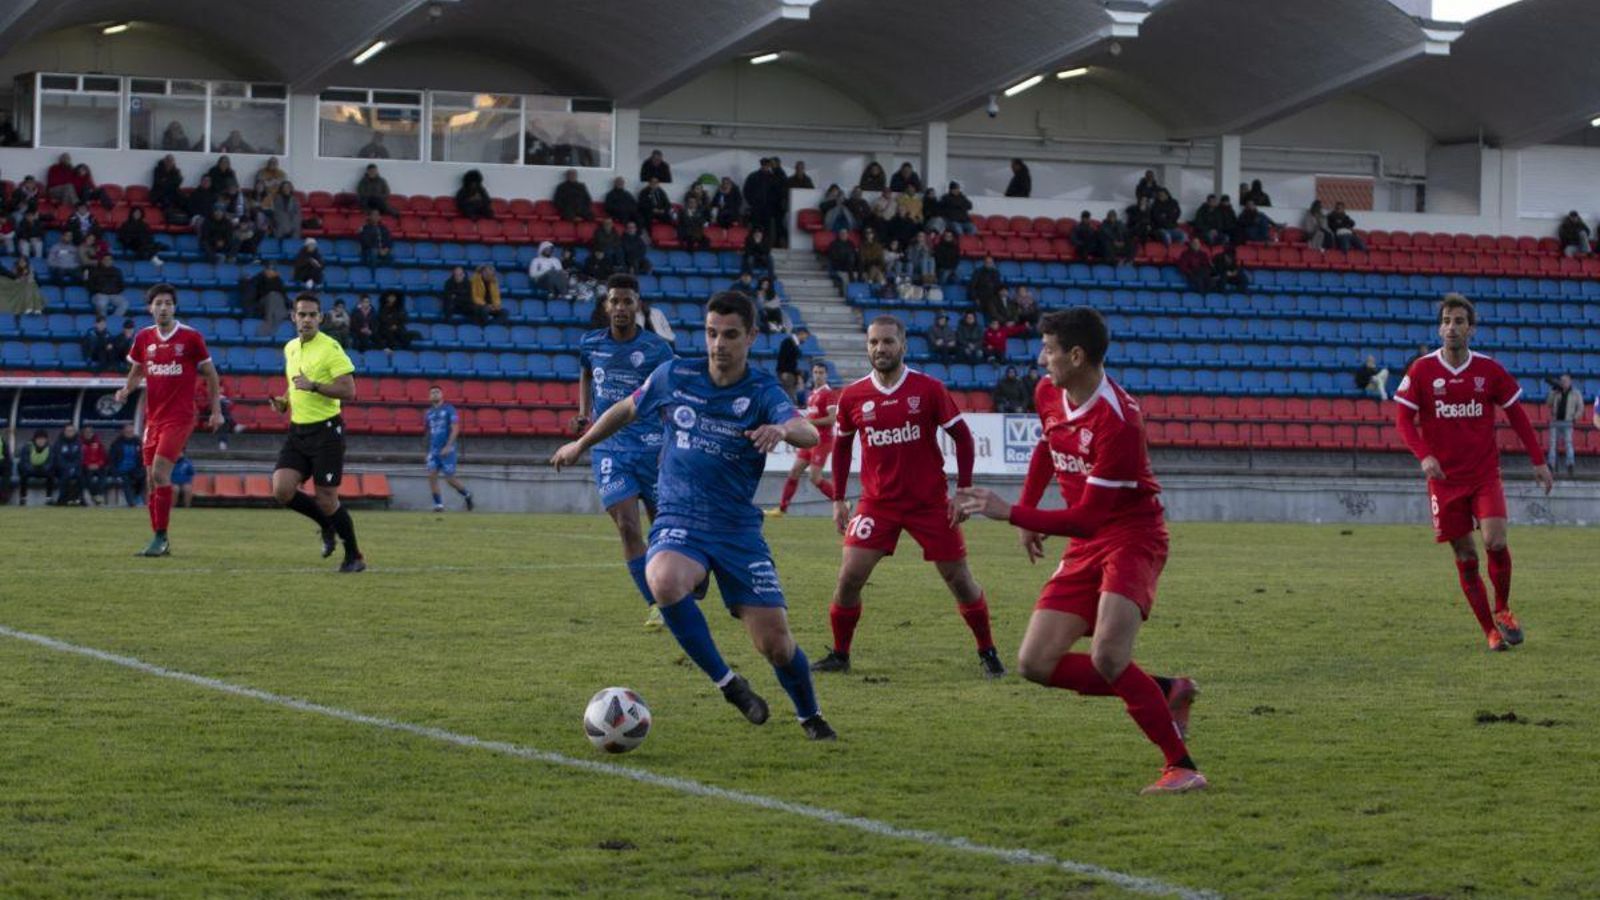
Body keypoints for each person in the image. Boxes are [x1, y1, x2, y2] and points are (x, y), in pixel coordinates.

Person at [551, 291, 835, 740]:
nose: (718, 344)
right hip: (680, 516)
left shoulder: (762, 390)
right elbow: (626, 408)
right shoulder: (674, 374)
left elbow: (801, 427)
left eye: (730, 335)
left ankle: (809, 715)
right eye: (711, 333)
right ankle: (730, 685)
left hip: (738, 529)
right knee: (661, 577)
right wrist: (581, 443)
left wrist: (780, 428)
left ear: (751, 337)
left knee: (777, 646)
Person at [956, 307, 1205, 794]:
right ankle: (1164, 690)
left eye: (1048, 349)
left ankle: (1182, 766)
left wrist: (1012, 513)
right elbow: (1049, 446)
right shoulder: (1050, 392)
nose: (1040, 359)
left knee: (1109, 656)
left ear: (1076, 355)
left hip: (1133, 536)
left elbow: (1090, 517)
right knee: (1035, 662)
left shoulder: (1119, 419)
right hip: (1087, 542)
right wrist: (1028, 510)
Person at [818, 315, 1002, 676]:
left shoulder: (928, 389)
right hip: (877, 503)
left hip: (929, 503)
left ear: (903, 345)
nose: (880, 349)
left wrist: (963, 490)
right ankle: (840, 655)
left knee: (959, 580)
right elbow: (841, 448)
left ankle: (988, 651)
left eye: (887, 342)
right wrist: (838, 498)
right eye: (873, 343)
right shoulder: (853, 395)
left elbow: (963, 438)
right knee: (849, 577)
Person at [1393, 294, 1552, 651]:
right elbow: (1402, 419)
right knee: (1466, 556)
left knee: (1495, 541)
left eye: (1459, 321)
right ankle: (1490, 632)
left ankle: (1503, 609)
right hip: (1445, 482)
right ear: (1440, 327)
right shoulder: (1421, 370)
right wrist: (1424, 455)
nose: (1452, 327)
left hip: (1483, 475)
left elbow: (1518, 416)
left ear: (1471, 329)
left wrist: (1538, 460)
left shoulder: (1489, 370)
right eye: (1447, 321)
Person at [567, 274, 677, 629]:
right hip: (610, 449)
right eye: (614, 301)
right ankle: (657, 603)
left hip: (652, 448)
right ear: (606, 306)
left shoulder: (657, 350)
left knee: (664, 527)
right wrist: (584, 412)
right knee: (628, 527)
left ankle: (683, 580)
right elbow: (586, 371)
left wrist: (672, 440)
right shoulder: (590, 344)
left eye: (627, 301)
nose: (620, 307)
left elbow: (670, 397)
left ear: (637, 306)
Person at [112, 284, 223, 556]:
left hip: (180, 417)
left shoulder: (190, 337)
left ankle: (160, 538)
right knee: (151, 479)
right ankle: (159, 538)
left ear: (174, 307)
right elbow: (138, 368)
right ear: (150, 308)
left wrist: (216, 410)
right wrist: (127, 389)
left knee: (161, 473)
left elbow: (211, 374)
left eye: (168, 303)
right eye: (158, 303)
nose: (163, 308)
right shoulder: (144, 338)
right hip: (154, 418)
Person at [269, 294, 365, 573]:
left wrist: (314, 387)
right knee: (282, 490)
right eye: (302, 314)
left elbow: (349, 391)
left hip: (326, 432)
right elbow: (295, 382)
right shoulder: (290, 348)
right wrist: (285, 401)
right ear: (293, 317)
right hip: (298, 430)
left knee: (326, 498)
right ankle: (326, 524)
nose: (307, 319)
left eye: (312, 315)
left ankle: (354, 555)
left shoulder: (331, 348)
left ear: (320, 318)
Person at [768, 360, 837, 516]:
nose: (818, 375)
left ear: (826, 375)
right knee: (794, 472)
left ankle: (840, 501)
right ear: (812, 374)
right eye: (815, 372)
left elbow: (832, 419)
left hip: (823, 440)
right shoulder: (812, 394)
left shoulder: (829, 394)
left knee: (814, 477)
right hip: (809, 440)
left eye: (821, 372)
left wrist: (810, 421)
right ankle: (781, 509)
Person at [424, 385, 474, 513]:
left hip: (448, 449)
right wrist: (427, 451)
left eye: (437, 392)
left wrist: (448, 446)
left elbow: (455, 428)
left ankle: (467, 494)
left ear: (442, 395)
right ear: (429, 397)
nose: (435, 394)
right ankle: (439, 505)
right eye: (432, 392)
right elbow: (428, 433)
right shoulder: (428, 413)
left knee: (449, 479)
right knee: (431, 475)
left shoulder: (449, 409)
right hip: (433, 450)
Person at [1545, 373, 1582, 475]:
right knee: (1552, 444)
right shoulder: (1556, 392)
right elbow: (1548, 403)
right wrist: (1553, 391)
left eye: (1565, 381)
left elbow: (1580, 408)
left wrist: (1574, 418)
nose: (1563, 383)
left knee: (1568, 443)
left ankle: (1570, 464)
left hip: (1568, 421)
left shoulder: (1576, 393)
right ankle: (1551, 464)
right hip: (1555, 421)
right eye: (1561, 381)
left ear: (1570, 382)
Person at [109, 423, 145, 507]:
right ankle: (131, 503)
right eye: (127, 431)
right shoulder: (116, 443)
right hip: (121, 470)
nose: (129, 432)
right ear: (123, 431)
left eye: (131, 431)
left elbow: (142, 457)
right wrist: (114, 471)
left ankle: (137, 497)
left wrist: (141, 468)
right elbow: (112, 459)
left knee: (143, 477)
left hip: (135, 469)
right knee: (126, 481)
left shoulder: (137, 442)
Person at [15, 430, 54, 505]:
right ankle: (23, 498)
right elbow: (24, 461)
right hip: (30, 470)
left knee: (51, 475)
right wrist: (32, 469)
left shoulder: (50, 448)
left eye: (43, 439)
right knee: (23, 474)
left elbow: (51, 462)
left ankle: (49, 498)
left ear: (46, 440)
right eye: (39, 439)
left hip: (43, 470)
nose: (41, 441)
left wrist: (44, 469)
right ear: (35, 439)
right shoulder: (27, 447)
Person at [50, 425, 84, 506]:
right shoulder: (58, 443)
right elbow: (58, 458)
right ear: (64, 432)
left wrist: (73, 467)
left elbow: (79, 458)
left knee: (81, 477)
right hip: (60, 469)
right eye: (68, 431)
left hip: (75, 468)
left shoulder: (78, 443)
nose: (70, 433)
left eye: (72, 431)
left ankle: (78, 499)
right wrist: (67, 468)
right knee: (65, 476)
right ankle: (62, 499)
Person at [776, 327, 807, 400]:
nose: (805, 339)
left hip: (789, 371)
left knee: (804, 376)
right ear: (800, 334)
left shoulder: (793, 343)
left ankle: (799, 401)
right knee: (789, 395)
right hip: (786, 372)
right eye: (805, 337)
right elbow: (785, 362)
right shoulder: (788, 343)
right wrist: (797, 373)